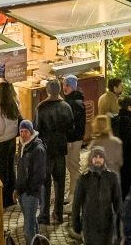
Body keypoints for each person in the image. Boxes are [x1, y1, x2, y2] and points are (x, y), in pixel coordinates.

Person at [35, 79, 74, 225]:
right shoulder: (66, 106)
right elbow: (71, 127)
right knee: (60, 183)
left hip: (46, 150)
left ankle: (44, 215)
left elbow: (37, 129)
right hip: (60, 149)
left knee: (45, 184)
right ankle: (58, 214)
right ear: (59, 90)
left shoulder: (41, 107)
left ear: (47, 91)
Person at [72, 146, 122, 245]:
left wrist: (119, 227)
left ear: (104, 159)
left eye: (101, 157)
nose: (98, 159)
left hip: (107, 225)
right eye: (95, 157)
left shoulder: (112, 178)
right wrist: (76, 225)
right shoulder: (83, 179)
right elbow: (76, 204)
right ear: (91, 159)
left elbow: (118, 203)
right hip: (89, 225)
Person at [0, 79, 22, 207]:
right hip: (11, 140)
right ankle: (10, 198)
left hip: (0, 143)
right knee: (10, 170)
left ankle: (1, 200)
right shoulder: (13, 103)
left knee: (1, 172)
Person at [15, 119, 47, 245]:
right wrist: (17, 189)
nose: (23, 134)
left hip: (30, 193)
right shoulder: (24, 146)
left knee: (28, 228)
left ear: (31, 132)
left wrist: (28, 191)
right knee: (32, 221)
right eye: (21, 131)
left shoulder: (37, 149)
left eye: (25, 131)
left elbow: (39, 175)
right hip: (23, 191)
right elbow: (20, 170)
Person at [63, 74, 89, 201]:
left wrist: (71, 139)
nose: (64, 87)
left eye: (67, 85)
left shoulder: (76, 103)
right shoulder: (69, 99)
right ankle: (73, 192)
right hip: (71, 139)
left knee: (73, 166)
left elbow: (78, 125)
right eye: (64, 84)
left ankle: (75, 194)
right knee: (71, 166)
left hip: (73, 140)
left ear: (73, 86)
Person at [113, 98, 131, 196]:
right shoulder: (127, 122)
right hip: (128, 161)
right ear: (129, 107)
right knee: (128, 187)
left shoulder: (116, 119)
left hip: (118, 158)